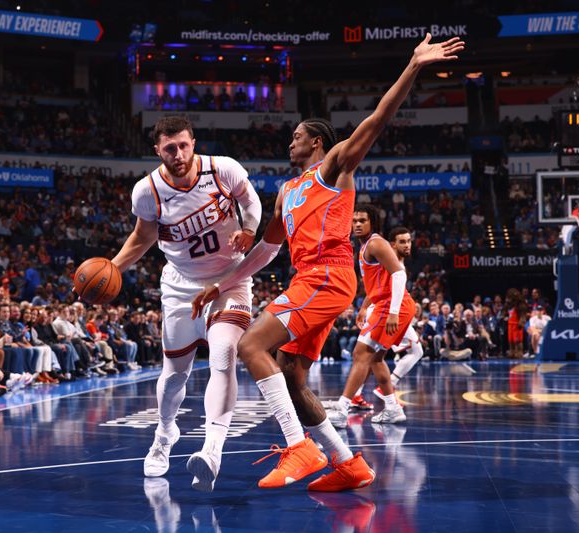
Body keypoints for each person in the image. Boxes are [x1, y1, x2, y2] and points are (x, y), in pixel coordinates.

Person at [192, 33, 463, 491]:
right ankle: (348, 464)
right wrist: (221, 285)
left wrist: (414, 66)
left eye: (297, 136)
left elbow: (377, 119)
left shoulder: (335, 167)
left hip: (328, 275)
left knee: (251, 347)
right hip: (309, 278)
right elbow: (265, 249)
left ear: (316, 142)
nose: (290, 142)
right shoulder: (286, 191)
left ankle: (299, 447)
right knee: (294, 377)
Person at [110, 115, 263, 492]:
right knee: (174, 374)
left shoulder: (222, 169)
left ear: (193, 142)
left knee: (224, 354)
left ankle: (212, 450)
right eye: (168, 148)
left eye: (183, 145)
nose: (177, 154)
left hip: (230, 279)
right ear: (157, 150)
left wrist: (249, 228)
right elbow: (142, 237)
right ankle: (164, 434)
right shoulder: (147, 192)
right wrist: (112, 268)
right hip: (180, 286)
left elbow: (251, 199)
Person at [327, 223, 421, 428]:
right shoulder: (377, 252)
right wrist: (364, 307)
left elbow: (396, 280)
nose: (408, 245)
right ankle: (392, 408)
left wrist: (393, 313)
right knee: (376, 358)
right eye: (403, 241)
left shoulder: (385, 253)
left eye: (409, 241)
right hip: (389, 307)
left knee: (361, 354)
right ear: (393, 244)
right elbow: (377, 288)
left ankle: (343, 408)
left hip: (392, 309)